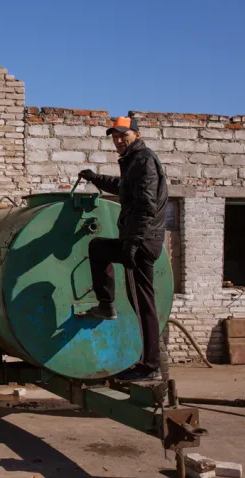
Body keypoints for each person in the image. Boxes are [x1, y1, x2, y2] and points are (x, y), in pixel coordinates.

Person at [78, 116, 169, 382]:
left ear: (137, 135)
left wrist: (132, 243)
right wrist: (96, 179)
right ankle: (106, 304)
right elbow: (124, 189)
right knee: (99, 249)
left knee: (143, 304)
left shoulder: (142, 160)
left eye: (123, 136)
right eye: (115, 137)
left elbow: (146, 205)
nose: (118, 141)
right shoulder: (133, 161)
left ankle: (149, 366)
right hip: (140, 239)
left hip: (142, 241)